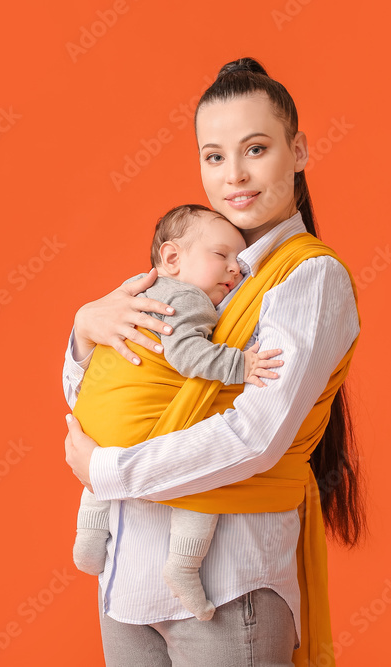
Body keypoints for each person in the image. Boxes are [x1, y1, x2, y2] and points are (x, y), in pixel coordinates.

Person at [64, 57, 366, 666]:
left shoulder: (309, 278)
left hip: (228, 590)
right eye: (214, 156)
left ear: (299, 150)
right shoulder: (192, 266)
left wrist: (108, 471)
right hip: (127, 583)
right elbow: (99, 395)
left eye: (256, 148)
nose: (235, 175)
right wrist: (81, 332)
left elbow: (255, 437)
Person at [72, 203, 286, 623]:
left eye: (239, 264)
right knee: (205, 476)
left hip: (95, 422)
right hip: (140, 427)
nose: (234, 271)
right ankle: (184, 565)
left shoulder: (135, 296)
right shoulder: (189, 300)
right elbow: (189, 355)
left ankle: (89, 534)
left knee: (99, 473)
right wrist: (242, 365)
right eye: (221, 255)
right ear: (171, 259)